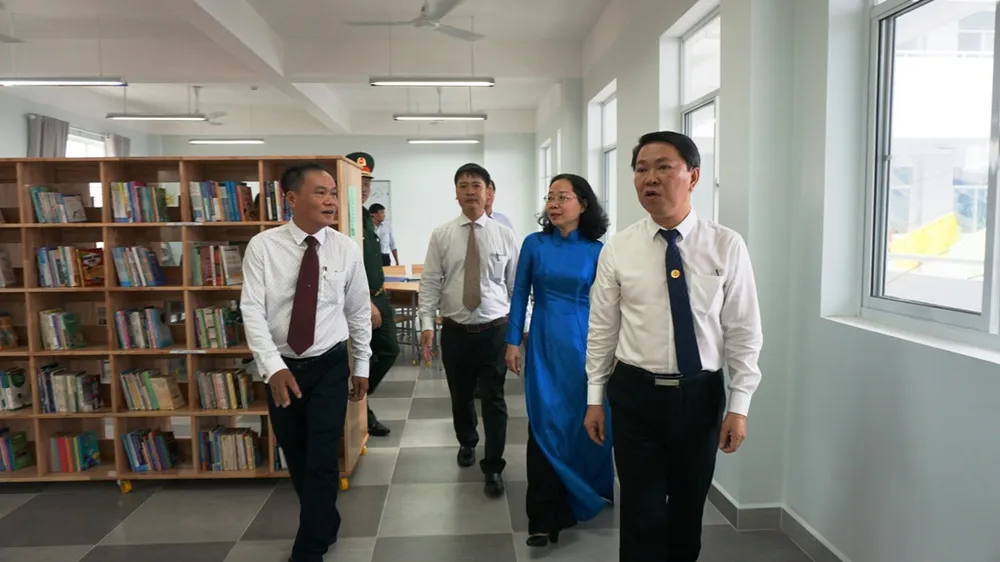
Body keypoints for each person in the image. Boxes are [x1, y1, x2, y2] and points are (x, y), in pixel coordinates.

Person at [583, 131, 764, 562]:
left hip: (699, 396)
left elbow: (743, 330)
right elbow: (602, 328)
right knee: (640, 512)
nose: (650, 178)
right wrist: (594, 398)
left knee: (687, 510)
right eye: (641, 169)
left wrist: (739, 406)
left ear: (693, 176)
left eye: (663, 167)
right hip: (635, 394)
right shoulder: (619, 248)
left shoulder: (725, 245)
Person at [240, 162, 373, 562]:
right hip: (282, 369)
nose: (331, 200)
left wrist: (361, 365)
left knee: (321, 456)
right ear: (292, 198)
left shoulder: (345, 248)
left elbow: (358, 311)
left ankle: (309, 547)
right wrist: (273, 366)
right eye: (320, 192)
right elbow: (252, 310)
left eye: (333, 193)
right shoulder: (264, 247)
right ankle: (324, 521)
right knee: (296, 455)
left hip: (329, 364)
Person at [505, 173, 615, 548]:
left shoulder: (597, 250)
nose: (553, 204)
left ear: (582, 204)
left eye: (562, 197)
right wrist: (512, 341)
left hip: (585, 346)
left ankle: (577, 494)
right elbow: (520, 292)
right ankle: (540, 518)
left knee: (580, 422)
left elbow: (610, 307)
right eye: (550, 197)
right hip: (544, 344)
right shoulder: (534, 244)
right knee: (542, 423)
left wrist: (613, 351)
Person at [418, 163, 519, 498]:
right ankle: (467, 440)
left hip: (494, 330)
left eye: (476, 185)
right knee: (460, 396)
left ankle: (493, 465)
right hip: (455, 331)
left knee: (494, 399)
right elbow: (430, 281)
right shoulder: (442, 234)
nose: (470, 191)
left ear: (488, 191)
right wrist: (426, 323)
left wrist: (517, 333)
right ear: (456, 193)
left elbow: (515, 286)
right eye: (463, 186)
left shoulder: (504, 234)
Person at [346, 151, 399, 438]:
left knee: (390, 350)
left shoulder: (365, 216)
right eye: (359, 181)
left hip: (379, 295)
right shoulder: (343, 216)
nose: (364, 187)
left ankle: (360, 396)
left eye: (367, 182)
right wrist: (365, 301)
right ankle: (361, 409)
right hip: (361, 299)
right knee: (360, 354)